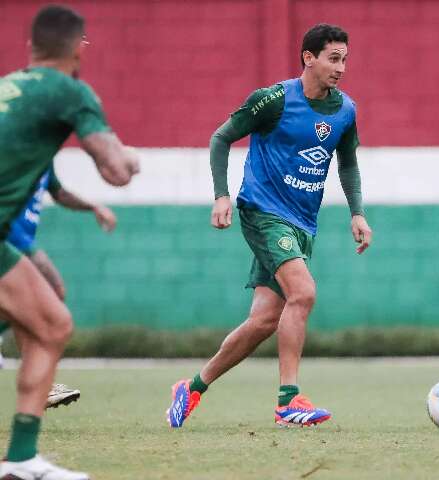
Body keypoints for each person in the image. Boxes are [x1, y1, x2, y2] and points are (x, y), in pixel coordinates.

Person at [167, 23, 372, 428]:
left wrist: (357, 212)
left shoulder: (345, 110)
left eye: (345, 59)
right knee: (305, 292)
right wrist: (221, 194)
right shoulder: (273, 100)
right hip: (262, 211)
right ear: (308, 58)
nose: (341, 68)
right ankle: (288, 402)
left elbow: (347, 163)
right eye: (334, 58)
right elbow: (221, 138)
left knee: (263, 320)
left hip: (303, 223)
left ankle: (191, 388)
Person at [0, 5, 139, 480]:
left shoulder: (8, 87)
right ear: (78, 49)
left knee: (52, 322)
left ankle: (20, 459)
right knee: (52, 324)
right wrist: (131, 160)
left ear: (30, 47)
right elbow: (116, 171)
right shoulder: (70, 91)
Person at [0, 162, 118, 409]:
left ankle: (41, 385)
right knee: (48, 295)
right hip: (10, 238)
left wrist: (93, 207)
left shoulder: (44, 155)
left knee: (28, 308)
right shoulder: (16, 142)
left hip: (19, 242)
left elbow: (60, 193)